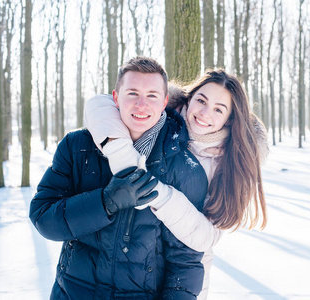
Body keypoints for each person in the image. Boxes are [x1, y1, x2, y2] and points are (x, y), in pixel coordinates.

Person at [29, 56, 208, 299]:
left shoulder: (185, 167)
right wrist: (105, 202)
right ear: (115, 97)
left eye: (152, 95)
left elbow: (185, 261)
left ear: (165, 101)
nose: (141, 105)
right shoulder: (77, 146)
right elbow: (44, 218)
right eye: (132, 93)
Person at [85, 69, 269, 299]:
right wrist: (119, 151)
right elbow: (99, 104)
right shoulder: (161, 117)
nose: (204, 113)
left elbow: (206, 236)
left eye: (218, 109)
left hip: (185, 279)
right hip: (131, 271)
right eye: (201, 100)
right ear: (189, 98)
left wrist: (161, 196)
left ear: (229, 119)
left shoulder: (229, 165)